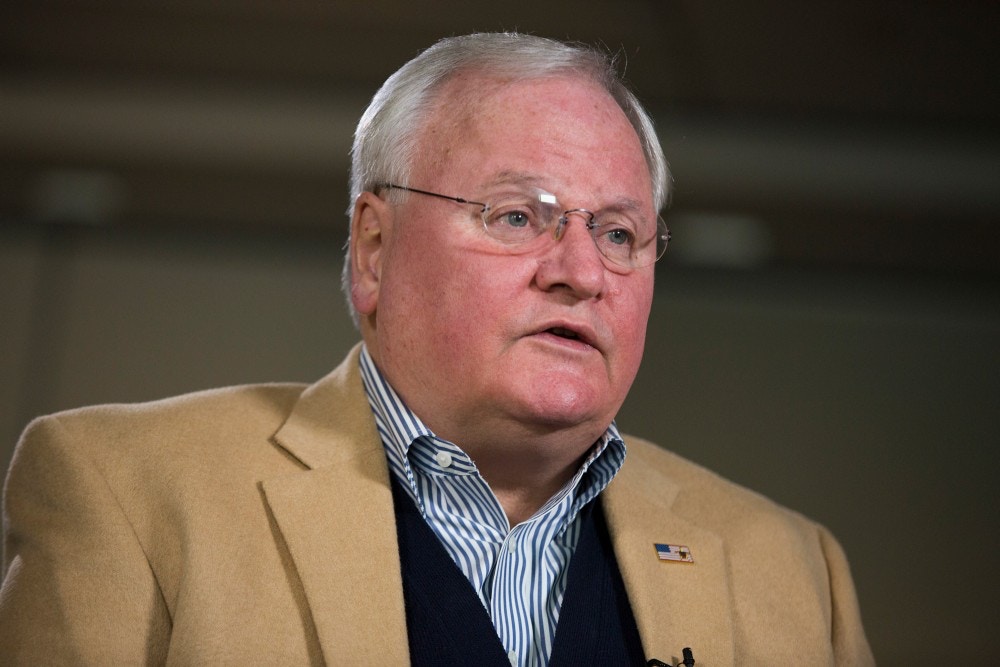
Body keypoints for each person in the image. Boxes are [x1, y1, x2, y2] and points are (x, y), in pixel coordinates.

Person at [0, 33, 873, 665]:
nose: (581, 271)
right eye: (518, 216)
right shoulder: (126, 492)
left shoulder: (792, 572)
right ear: (375, 248)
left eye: (618, 232)